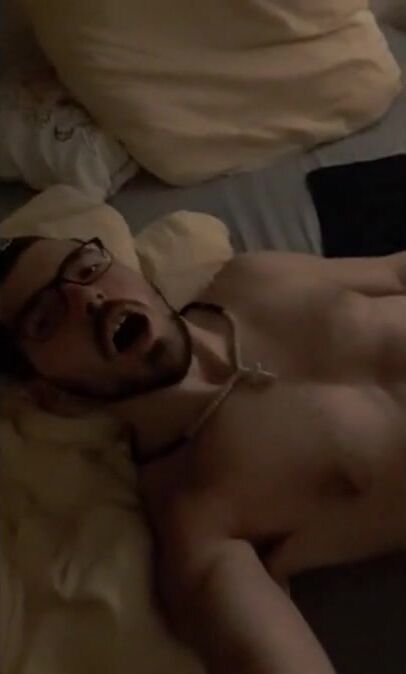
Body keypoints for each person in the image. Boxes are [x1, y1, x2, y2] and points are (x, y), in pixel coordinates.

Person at [1, 233, 406, 674]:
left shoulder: (256, 276)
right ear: (48, 394)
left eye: (86, 268)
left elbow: (394, 270)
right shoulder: (197, 519)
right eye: (46, 319)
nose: (88, 298)